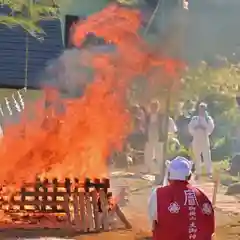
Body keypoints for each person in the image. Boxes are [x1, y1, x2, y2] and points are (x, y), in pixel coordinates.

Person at [148, 156, 215, 240]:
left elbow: (152, 225)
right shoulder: (202, 195)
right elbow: (210, 229)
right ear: (189, 176)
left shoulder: (158, 194)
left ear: (169, 175)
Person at [144, 100, 177, 174]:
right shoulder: (148, 117)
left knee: (159, 153)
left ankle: (160, 169)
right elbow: (145, 126)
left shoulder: (162, 116)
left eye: (155, 107)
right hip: (150, 134)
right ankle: (149, 168)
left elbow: (168, 125)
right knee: (148, 152)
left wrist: (167, 133)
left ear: (158, 107)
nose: (153, 108)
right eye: (152, 107)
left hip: (159, 135)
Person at [188, 102, 214, 179]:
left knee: (207, 155)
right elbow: (190, 127)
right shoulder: (195, 118)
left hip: (205, 138)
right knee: (196, 156)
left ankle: (209, 172)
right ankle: (198, 172)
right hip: (196, 138)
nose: (202, 110)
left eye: (203, 109)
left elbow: (211, 128)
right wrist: (195, 129)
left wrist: (204, 128)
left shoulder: (208, 118)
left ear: (205, 109)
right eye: (200, 109)